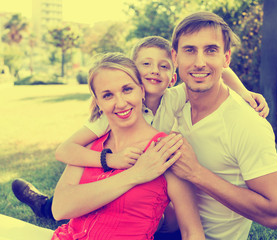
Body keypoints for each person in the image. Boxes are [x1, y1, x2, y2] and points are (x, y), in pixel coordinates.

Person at [11, 36, 269, 238]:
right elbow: (65, 151)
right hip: (109, 177)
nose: (154, 71)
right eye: (145, 64)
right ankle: (40, 203)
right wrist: (111, 160)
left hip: (151, 185)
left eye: (164, 66)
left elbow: (219, 70)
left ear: (172, 77)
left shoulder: (173, 98)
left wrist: (246, 94)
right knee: (82, 205)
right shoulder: (109, 116)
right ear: (135, 74)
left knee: (148, 205)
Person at [2, 52, 205, 240]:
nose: (121, 103)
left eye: (127, 89)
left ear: (142, 91)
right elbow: (60, 208)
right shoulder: (89, 148)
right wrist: (135, 174)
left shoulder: (165, 150)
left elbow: (191, 231)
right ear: (98, 102)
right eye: (108, 95)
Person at [168, 11, 277, 239]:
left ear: (226, 58)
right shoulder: (171, 103)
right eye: (189, 50)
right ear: (175, 58)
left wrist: (196, 173)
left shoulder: (247, 124)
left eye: (211, 50)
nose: (199, 62)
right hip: (165, 226)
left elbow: (275, 214)